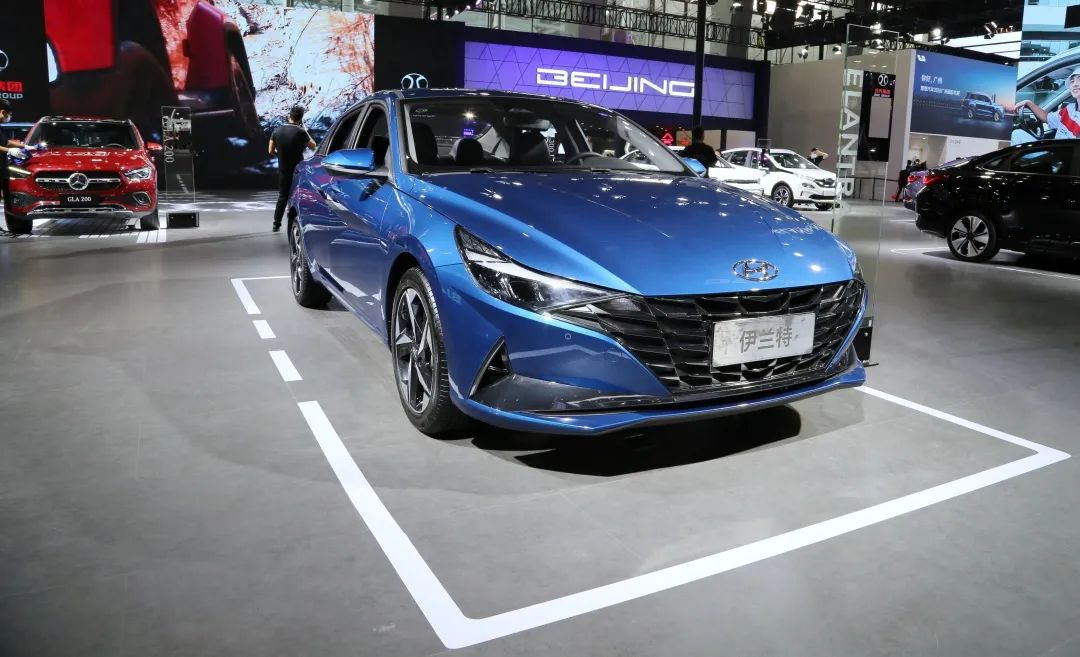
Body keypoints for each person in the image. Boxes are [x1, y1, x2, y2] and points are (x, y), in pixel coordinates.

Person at [269, 104, 317, 232]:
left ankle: (276, 224)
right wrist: (304, 128)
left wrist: (281, 155)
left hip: (283, 170)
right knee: (298, 196)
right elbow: (313, 146)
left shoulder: (277, 131)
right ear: (300, 118)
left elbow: (270, 150)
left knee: (283, 196)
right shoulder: (301, 132)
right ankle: (295, 222)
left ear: (289, 115)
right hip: (298, 171)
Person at [1017, 66, 1080, 140]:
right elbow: (1047, 118)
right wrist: (1028, 103)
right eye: (1072, 81)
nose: (1075, 84)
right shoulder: (1069, 109)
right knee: (1017, 134)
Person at [0, 100, 23, 219]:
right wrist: (9, 151)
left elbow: (6, 142)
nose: (8, 118)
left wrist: (25, 146)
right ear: (3, 112)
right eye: (9, 115)